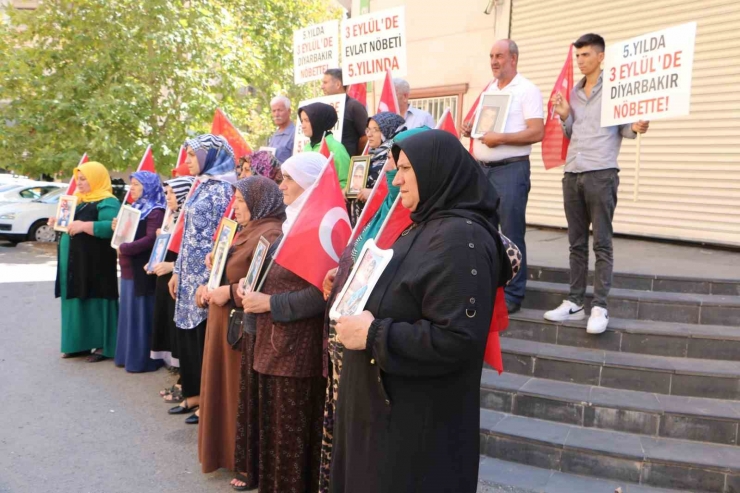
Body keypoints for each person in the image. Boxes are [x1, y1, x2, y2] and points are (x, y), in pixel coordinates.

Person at [329, 130, 512, 493]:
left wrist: (372, 334)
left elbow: (457, 338)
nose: (395, 180)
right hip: (385, 423)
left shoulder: (463, 239)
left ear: (436, 171)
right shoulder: (426, 224)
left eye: (406, 169)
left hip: (415, 437)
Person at [317, 126, 429, 493]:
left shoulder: (435, 226)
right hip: (348, 345)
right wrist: (342, 272)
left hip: (382, 360)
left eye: (406, 168)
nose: (395, 177)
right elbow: (363, 254)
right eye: (395, 167)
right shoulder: (382, 207)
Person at [544, 33, 649, 334]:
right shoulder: (573, 94)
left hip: (602, 173)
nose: (580, 61)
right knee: (576, 244)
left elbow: (628, 129)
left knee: (601, 243)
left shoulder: (617, 89)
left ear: (601, 57)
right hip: (573, 173)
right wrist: (565, 117)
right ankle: (576, 302)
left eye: (586, 55)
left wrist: (638, 126)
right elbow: (571, 133)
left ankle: (599, 306)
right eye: (577, 56)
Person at [238, 152, 328, 493]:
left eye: (289, 179)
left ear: (309, 183)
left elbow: (320, 295)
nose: (282, 185)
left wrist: (269, 302)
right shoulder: (293, 222)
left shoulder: (320, 225)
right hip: (273, 347)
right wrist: (253, 284)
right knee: (275, 436)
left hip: (295, 354)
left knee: (290, 441)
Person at [197, 176, 285, 478]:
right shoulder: (246, 231)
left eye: (242, 202)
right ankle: (224, 453)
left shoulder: (271, 234)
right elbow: (232, 270)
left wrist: (231, 292)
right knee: (221, 390)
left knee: (236, 394)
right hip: (222, 322)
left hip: (240, 327)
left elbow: (266, 281)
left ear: (259, 204)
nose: (235, 208)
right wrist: (210, 279)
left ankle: (243, 461)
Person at [461, 39, 544, 314]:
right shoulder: (489, 91)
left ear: (513, 59)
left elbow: (537, 132)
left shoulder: (527, 90)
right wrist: (472, 128)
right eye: (491, 56)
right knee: (482, 231)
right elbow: (487, 128)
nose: (494, 61)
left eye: (499, 56)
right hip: (483, 170)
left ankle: (513, 295)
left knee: (511, 233)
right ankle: (488, 287)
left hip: (511, 169)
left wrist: (501, 138)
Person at [167, 134, 236, 425]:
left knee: (202, 339)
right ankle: (193, 393)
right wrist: (177, 270)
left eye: (193, 156)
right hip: (187, 274)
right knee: (187, 337)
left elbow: (223, 240)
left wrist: (209, 280)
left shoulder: (223, 191)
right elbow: (187, 234)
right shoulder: (202, 185)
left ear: (210, 157)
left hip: (205, 277)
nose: (187, 162)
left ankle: (207, 401)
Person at [53, 161, 121, 362]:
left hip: (96, 262)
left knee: (96, 297)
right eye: (77, 179)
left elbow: (112, 227)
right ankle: (78, 344)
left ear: (96, 179)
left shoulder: (108, 202)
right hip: (74, 260)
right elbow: (68, 224)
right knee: (75, 297)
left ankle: (103, 346)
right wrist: (56, 222)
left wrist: (84, 226)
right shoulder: (77, 200)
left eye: (84, 179)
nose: (79, 183)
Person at [113, 171, 166, 372]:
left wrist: (125, 248)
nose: (132, 188)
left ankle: (141, 360)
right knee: (129, 313)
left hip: (141, 270)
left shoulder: (155, 210)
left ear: (148, 187)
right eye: (131, 184)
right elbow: (128, 232)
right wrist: (117, 229)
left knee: (140, 314)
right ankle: (128, 357)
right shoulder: (135, 207)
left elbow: (152, 239)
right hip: (128, 269)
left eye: (136, 184)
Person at [149, 176, 195, 379]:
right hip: (164, 278)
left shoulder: (190, 220)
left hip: (179, 277)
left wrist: (172, 266)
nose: (168, 197)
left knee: (176, 324)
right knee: (165, 320)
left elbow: (194, 254)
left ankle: (181, 374)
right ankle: (174, 368)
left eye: (172, 192)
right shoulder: (171, 216)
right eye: (166, 192)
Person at [350, 112, 406, 224]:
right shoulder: (370, 157)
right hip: (362, 219)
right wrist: (349, 190)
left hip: (382, 221)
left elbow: (400, 193)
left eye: (375, 130)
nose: (369, 134)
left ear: (388, 131)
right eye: (368, 129)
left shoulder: (396, 158)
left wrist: (373, 194)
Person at [299, 102, 350, 189]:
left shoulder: (336, 148)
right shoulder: (307, 148)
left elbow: (346, 182)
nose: (303, 126)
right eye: (302, 121)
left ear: (318, 121)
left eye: (307, 120)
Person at [321, 68, 368, 156]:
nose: (322, 86)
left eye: (325, 82)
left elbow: (365, 137)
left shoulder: (354, 106)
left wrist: (354, 157)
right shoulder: (322, 108)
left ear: (338, 84)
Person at [267, 95, 295, 163]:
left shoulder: (295, 134)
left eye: (280, 110)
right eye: (274, 111)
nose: (276, 114)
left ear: (289, 111)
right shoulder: (275, 134)